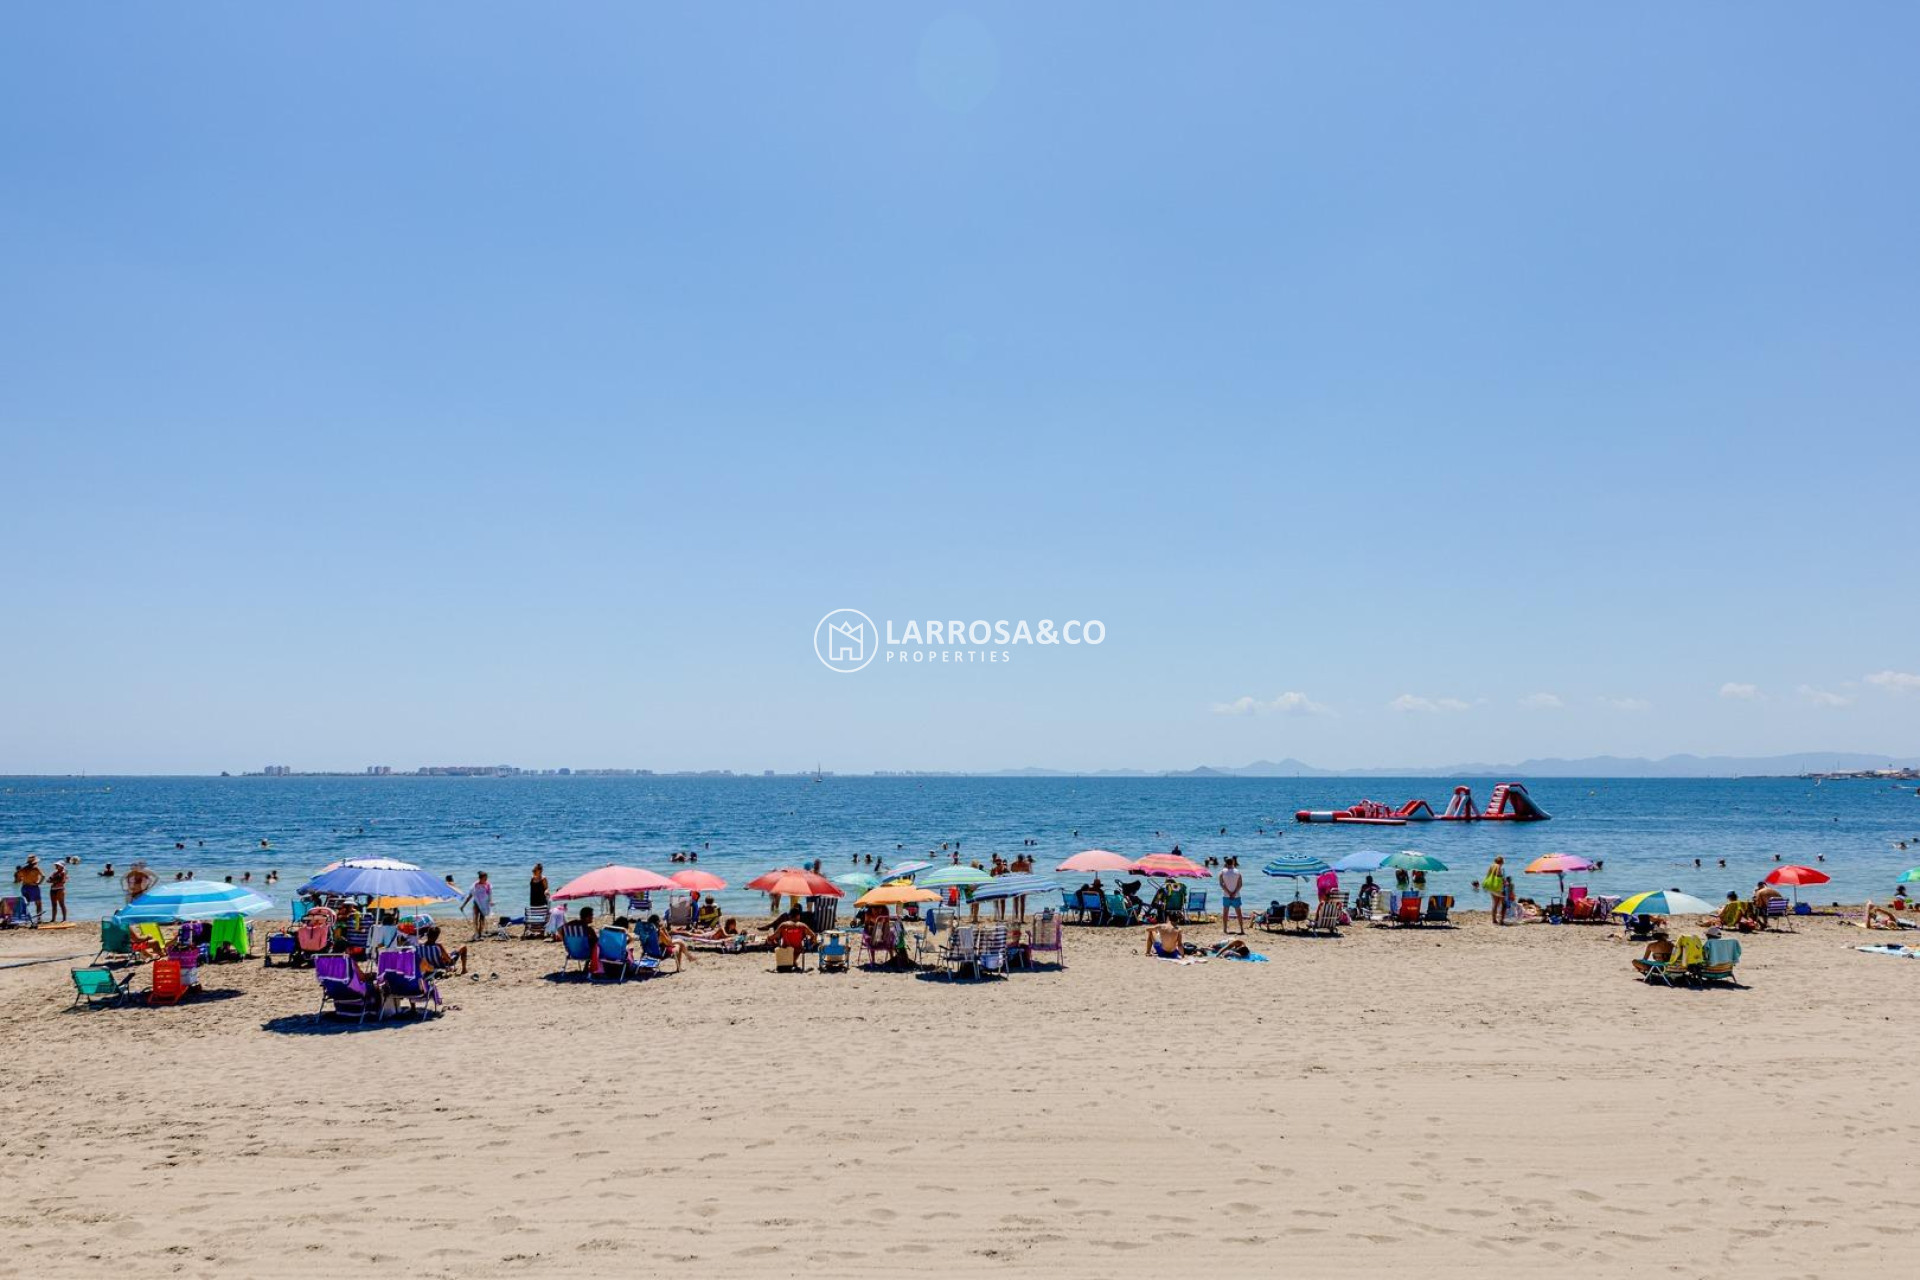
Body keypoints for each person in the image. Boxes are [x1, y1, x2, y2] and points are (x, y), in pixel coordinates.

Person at [462, 871, 493, 941]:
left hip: (484, 904)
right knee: (475, 919)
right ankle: (476, 933)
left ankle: (480, 933)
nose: (486, 879)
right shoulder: (475, 886)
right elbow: (470, 896)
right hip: (476, 904)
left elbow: (490, 895)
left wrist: (491, 901)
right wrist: (463, 906)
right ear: (480, 878)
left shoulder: (488, 885)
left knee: (482, 919)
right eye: (485, 878)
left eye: (486, 878)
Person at [13, 856, 44, 923]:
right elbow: (43, 876)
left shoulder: (24, 869)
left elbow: (17, 878)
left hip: (25, 887)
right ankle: (39, 919)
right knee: (38, 903)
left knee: (25, 903)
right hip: (34, 887)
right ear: (35, 862)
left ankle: (21, 918)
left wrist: (20, 879)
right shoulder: (36, 868)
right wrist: (39, 883)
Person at [1219, 857, 1245, 934]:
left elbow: (1221, 884)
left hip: (1226, 895)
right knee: (1239, 913)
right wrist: (1234, 893)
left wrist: (1229, 892)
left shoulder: (1222, 872)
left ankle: (1225, 929)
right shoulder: (1238, 872)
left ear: (1226, 863)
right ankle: (1241, 929)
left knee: (1225, 913)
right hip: (1236, 895)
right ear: (1233, 862)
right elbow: (1240, 885)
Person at [46, 859, 67, 923]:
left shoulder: (63, 872)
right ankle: (53, 919)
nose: (56, 866)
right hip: (53, 889)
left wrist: (53, 881)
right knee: (54, 904)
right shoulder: (55, 872)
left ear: (62, 866)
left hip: (60, 889)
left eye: (58, 865)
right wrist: (54, 881)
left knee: (61, 904)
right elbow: (48, 880)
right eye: (56, 865)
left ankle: (64, 919)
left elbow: (63, 881)